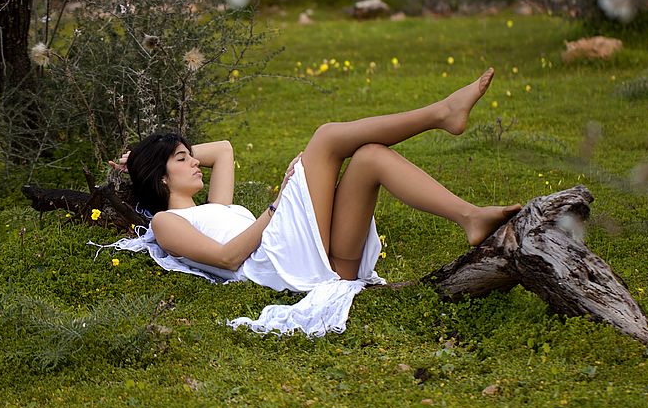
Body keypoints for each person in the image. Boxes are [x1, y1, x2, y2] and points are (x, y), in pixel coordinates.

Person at [104, 68, 522, 336]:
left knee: (371, 158)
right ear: (161, 177)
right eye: (183, 159)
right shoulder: (165, 222)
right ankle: (440, 113)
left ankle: (469, 216)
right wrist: (277, 205)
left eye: (191, 153)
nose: (197, 161)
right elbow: (228, 258)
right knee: (323, 139)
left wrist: (147, 155)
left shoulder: (217, 206)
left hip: (318, 262)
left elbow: (225, 150)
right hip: (275, 261)